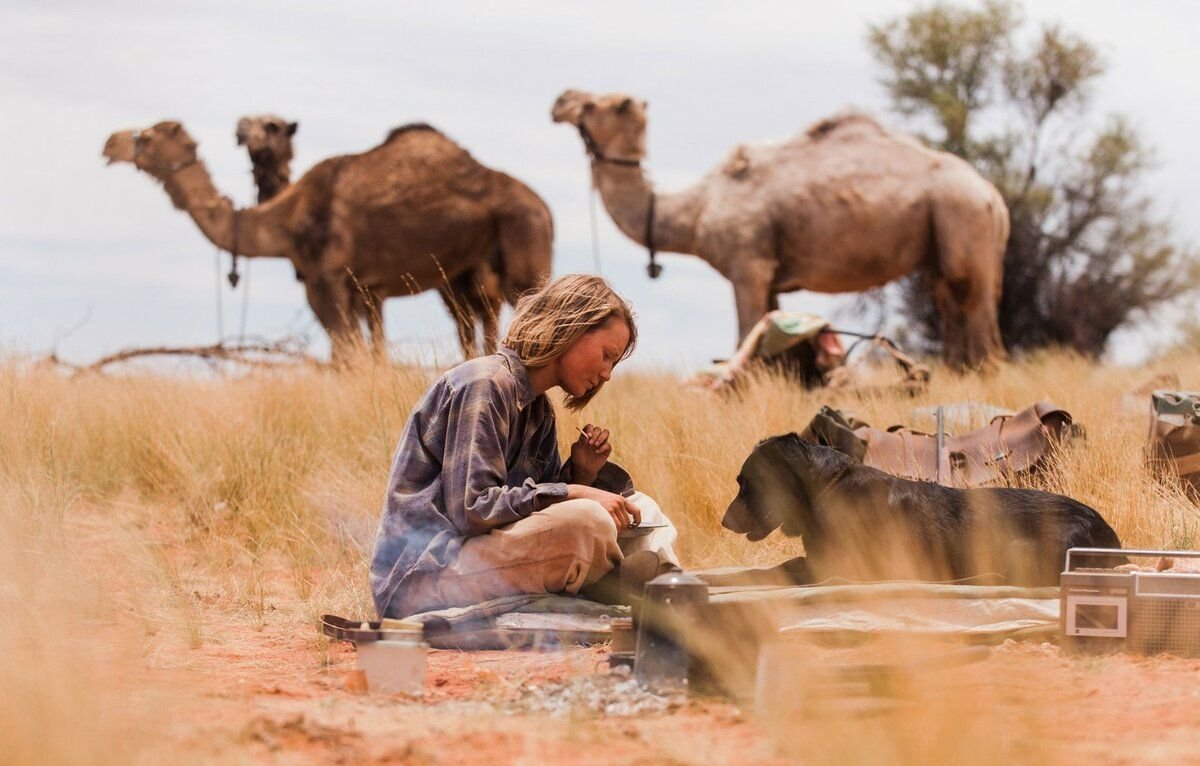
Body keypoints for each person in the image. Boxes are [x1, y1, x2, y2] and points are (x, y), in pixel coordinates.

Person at [371, 274, 678, 619]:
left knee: (645, 509)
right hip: (425, 575)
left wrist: (582, 473)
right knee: (587, 519)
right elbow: (472, 510)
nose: (607, 374)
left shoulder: (538, 410)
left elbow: (538, 512)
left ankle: (670, 592)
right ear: (570, 327)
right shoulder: (484, 385)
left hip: (479, 559)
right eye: (606, 355)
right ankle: (627, 588)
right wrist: (575, 492)